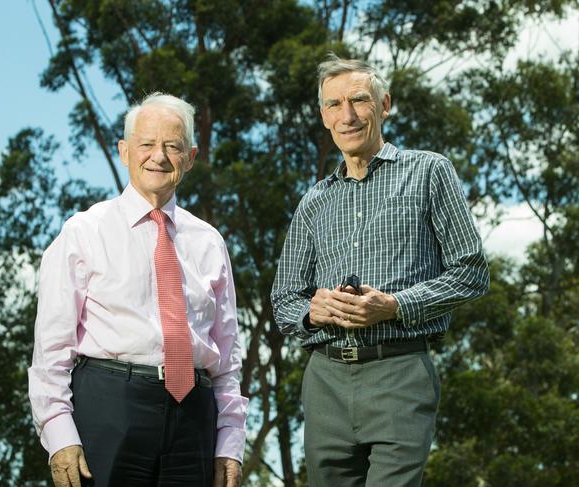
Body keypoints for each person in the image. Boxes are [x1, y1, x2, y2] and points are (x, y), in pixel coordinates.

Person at [271, 53, 490, 487]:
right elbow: (284, 299)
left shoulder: (428, 171)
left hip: (400, 372)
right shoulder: (314, 200)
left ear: (384, 104)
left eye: (359, 100)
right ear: (323, 116)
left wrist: (395, 306)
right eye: (334, 105)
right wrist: (316, 311)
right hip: (325, 382)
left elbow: (471, 271)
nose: (347, 116)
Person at [28, 93, 247, 487]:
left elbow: (228, 357)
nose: (158, 157)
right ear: (125, 151)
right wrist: (59, 436)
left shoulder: (209, 242)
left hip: (194, 421)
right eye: (146, 144)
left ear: (191, 157)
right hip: (108, 409)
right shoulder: (83, 233)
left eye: (172, 146)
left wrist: (230, 441)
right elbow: (51, 349)